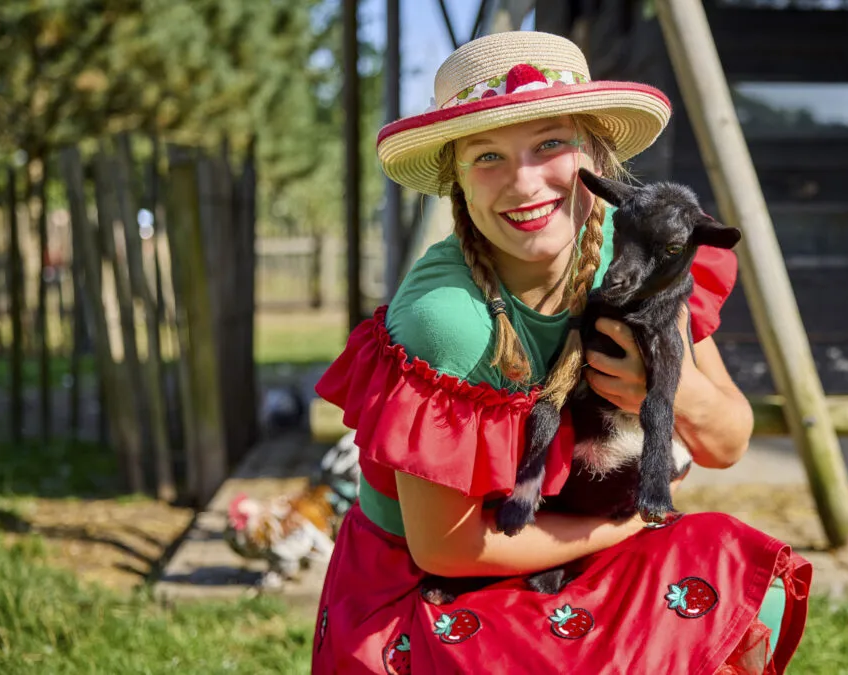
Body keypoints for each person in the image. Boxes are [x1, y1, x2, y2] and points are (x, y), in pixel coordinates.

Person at [312, 30, 812, 674]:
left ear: (596, 155)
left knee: (725, 560)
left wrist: (662, 387)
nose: (524, 183)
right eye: (487, 156)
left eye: (551, 144)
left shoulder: (639, 255)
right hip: (435, 587)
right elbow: (447, 549)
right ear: (456, 182)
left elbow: (726, 442)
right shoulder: (450, 321)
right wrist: (633, 525)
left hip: (571, 538)